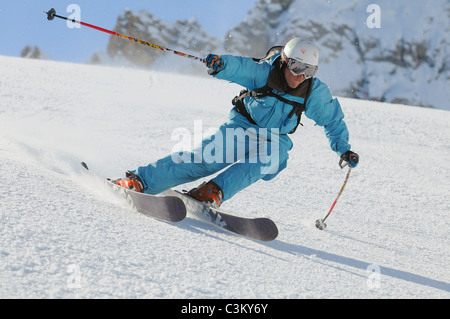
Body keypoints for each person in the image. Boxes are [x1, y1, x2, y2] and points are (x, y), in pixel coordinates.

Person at [113, 38, 359, 208]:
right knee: (206, 159)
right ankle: (141, 180)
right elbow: (240, 68)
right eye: (295, 66)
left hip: (275, 138)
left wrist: (343, 148)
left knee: (271, 157)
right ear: (284, 61)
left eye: (308, 70)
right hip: (243, 125)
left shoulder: (313, 92)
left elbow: (332, 120)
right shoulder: (264, 73)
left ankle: (212, 192)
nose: (299, 76)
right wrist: (221, 65)